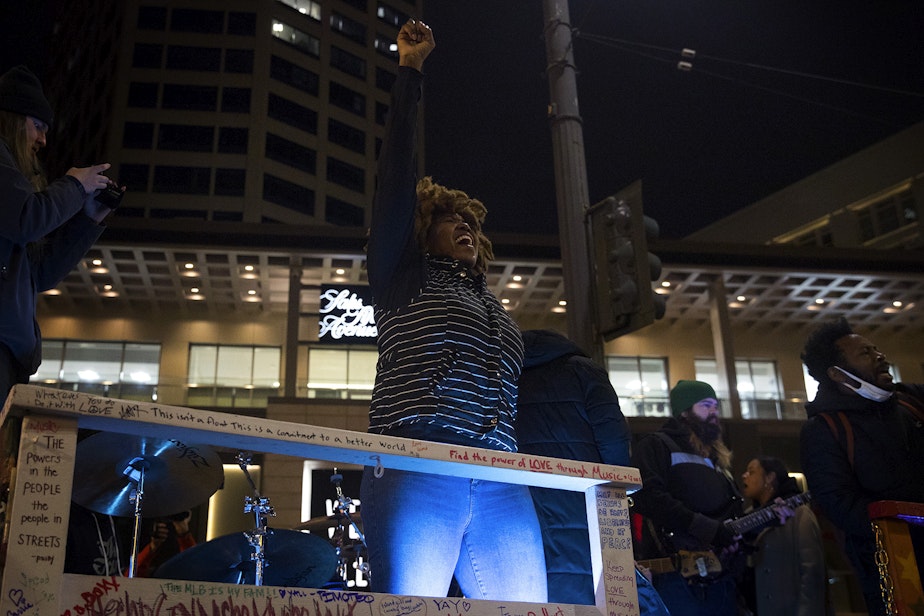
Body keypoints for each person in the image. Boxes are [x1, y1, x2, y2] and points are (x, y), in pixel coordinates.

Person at [359, 20, 546, 601]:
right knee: (410, 607)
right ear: (420, 231)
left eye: (470, 223)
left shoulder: (490, 302)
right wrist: (410, 72)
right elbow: (394, 184)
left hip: (500, 472)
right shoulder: (401, 276)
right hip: (419, 457)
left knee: (530, 611)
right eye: (449, 219)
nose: (464, 225)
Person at [516, 329, 668, 614]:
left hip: (520, 504)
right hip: (586, 504)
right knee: (589, 586)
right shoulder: (586, 371)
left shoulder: (506, 374)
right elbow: (615, 445)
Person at [0, 64, 117, 403]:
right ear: (11, 118)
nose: (42, 140)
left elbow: (40, 274)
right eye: (37, 126)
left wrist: (88, 220)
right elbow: (28, 218)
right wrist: (75, 185)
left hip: (11, 355)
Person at [800, 317, 924, 616]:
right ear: (837, 374)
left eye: (876, 349)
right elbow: (837, 502)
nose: (880, 356)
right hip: (892, 564)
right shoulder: (825, 428)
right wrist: (908, 522)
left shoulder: (909, 401)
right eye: (866, 353)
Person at [629, 379, 744, 616]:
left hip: (718, 578)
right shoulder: (657, 445)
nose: (714, 412)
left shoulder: (716, 458)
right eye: (705, 405)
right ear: (684, 410)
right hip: (674, 576)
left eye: (715, 405)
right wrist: (703, 527)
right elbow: (648, 496)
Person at [739, 456, 826, 616]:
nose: (744, 476)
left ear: (770, 478)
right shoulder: (747, 521)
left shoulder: (799, 514)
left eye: (751, 472)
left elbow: (812, 572)